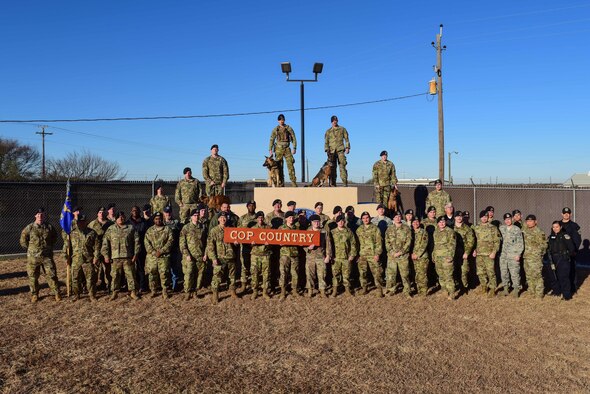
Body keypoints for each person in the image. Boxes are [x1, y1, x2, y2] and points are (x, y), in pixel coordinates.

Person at [19, 208, 61, 303]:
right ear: (35, 216)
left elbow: (55, 237)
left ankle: (56, 293)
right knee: (33, 277)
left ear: (44, 215)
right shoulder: (29, 228)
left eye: (42, 214)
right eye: (38, 214)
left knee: (52, 275)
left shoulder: (49, 227)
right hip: (33, 258)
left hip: (47, 257)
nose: (40, 216)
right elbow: (23, 240)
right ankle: (34, 294)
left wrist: (48, 247)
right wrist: (30, 249)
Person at [101, 211, 140, 301]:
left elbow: (136, 242)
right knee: (115, 276)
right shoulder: (111, 229)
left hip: (128, 256)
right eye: (119, 217)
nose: (121, 219)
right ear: (115, 219)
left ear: (125, 218)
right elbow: (105, 243)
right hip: (115, 258)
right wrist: (106, 255)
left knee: (130, 275)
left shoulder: (130, 228)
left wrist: (136, 254)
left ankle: (133, 292)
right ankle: (115, 292)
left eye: (122, 217)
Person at [67, 214, 100, 302]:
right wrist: (66, 257)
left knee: (90, 278)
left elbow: (97, 246)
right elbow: (67, 247)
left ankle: (92, 295)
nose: (80, 224)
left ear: (86, 222)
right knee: (75, 278)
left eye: (82, 222)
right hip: (76, 259)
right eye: (79, 222)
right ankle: (77, 295)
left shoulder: (92, 233)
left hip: (88, 259)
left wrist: (96, 257)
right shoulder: (72, 233)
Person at [207, 213, 238, 304]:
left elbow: (236, 242)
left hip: (230, 256)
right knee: (217, 276)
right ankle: (215, 295)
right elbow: (210, 245)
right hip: (220, 258)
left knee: (232, 276)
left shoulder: (231, 230)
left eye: (224, 217)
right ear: (218, 219)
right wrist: (213, 258)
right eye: (221, 218)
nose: (223, 219)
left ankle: (233, 292)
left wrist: (236, 243)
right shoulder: (214, 231)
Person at [144, 211, 174, 299]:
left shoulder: (167, 230)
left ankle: (165, 291)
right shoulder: (149, 230)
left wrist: (161, 251)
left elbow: (170, 241)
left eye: (160, 219)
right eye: (156, 219)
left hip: (163, 256)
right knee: (152, 273)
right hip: (152, 257)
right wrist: (153, 252)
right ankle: (153, 290)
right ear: (154, 220)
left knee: (164, 273)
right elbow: (146, 243)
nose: (158, 220)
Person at [179, 207, 208, 300]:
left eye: (197, 215)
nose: (196, 217)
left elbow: (207, 242)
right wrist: (187, 254)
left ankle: (195, 292)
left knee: (198, 275)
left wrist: (205, 254)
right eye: (194, 215)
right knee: (189, 274)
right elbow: (182, 243)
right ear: (191, 217)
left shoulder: (202, 227)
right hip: (189, 256)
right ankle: (187, 292)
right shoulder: (186, 228)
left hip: (200, 255)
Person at [472, 210, 501, 297]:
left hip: (489, 254)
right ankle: (484, 287)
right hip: (479, 254)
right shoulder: (476, 228)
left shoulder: (493, 228)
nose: (484, 218)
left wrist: (494, 252)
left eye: (486, 216)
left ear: (488, 217)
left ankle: (492, 288)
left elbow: (497, 241)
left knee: (490, 272)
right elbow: (473, 240)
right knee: (480, 272)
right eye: (482, 217)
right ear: (480, 218)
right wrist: (474, 250)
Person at [356, 211, 384, 296]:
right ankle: (364, 288)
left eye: (367, 217)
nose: (365, 219)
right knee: (362, 273)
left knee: (377, 273)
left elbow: (379, 242)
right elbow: (356, 243)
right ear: (361, 219)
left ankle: (379, 289)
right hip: (362, 255)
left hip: (373, 254)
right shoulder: (359, 229)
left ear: (370, 218)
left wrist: (377, 254)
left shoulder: (375, 228)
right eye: (364, 218)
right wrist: (357, 255)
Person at [384, 211, 412, 297]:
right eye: (396, 217)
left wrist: (401, 252)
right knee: (391, 274)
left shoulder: (406, 228)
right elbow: (387, 241)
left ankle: (407, 291)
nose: (398, 218)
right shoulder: (389, 229)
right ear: (393, 218)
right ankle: (391, 289)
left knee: (405, 274)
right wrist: (392, 252)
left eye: (399, 216)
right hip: (392, 256)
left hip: (403, 256)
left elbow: (409, 242)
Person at [305, 214, 333, 298]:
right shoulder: (308, 231)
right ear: (311, 223)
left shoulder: (324, 231)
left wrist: (328, 255)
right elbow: (302, 244)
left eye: (318, 221)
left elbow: (328, 244)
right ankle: (310, 290)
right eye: (315, 222)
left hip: (321, 256)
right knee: (310, 274)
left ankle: (322, 291)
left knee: (322, 274)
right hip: (310, 257)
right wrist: (308, 248)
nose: (316, 223)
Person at [548, 221, 576, 301]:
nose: (555, 228)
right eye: (553, 227)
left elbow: (572, 248)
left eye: (557, 227)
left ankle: (567, 295)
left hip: (563, 259)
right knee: (553, 276)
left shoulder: (565, 236)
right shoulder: (551, 237)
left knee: (563, 277)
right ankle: (557, 292)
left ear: (560, 227)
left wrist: (566, 256)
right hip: (553, 258)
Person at [521, 214, 547, 299]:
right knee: (528, 275)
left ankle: (539, 294)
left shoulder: (539, 232)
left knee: (537, 275)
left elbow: (544, 245)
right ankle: (531, 291)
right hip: (526, 257)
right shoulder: (524, 230)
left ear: (535, 222)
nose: (529, 223)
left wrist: (538, 254)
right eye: (527, 221)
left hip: (535, 258)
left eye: (531, 221)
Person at [499, 212, 524, 297]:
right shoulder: (501, 229)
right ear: (504, 220)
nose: (508, 221)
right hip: (503, 255)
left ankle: (516, 289)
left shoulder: (516, 229)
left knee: (514, 273)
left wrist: (518, 254)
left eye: (509, 219)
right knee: (504, 272)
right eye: (506, 220)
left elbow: (520, 243)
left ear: (512, 219)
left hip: (513, 254)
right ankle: (506, 289)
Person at [330, 214, 355, 297]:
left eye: (342, 220)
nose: (341, 222)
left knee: (346, 275)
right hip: (336, 258)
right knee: (335, 275)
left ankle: (347, 290)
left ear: (344, 221)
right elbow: (329, 245)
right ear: (336, 222)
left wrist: (352, 255)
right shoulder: (332, 232)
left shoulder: (349, 231)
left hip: (346, 257)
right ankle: (335, 291)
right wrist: (330, 255)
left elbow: (353, 244)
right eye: (339, 221)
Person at [269, 114, 298, 187]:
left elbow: (293, 138)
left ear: (284, 120)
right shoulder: (275, 129)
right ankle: (280, 183)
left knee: (290, 166)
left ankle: (293, 182)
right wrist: (270, 149)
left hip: (287, 148)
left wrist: (294, 147)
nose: (282, 121)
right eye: (280, 120)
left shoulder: (288, 128)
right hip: (278, 149)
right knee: (279, 167)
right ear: (278, 121)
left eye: (283, 120)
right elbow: (272, 139)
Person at [88, 206, 112, 293]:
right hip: (96, 252)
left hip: (107, 251)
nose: (101, 214)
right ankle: (93, 288)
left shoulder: (110, 224)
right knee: (95, 270)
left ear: (106, 213)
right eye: (100, 212)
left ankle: (109, 286)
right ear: (97, 214)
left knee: (108, 270)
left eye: (103, 212)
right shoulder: (92, 224)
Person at [433, 216, 457, 300]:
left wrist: (450, 256)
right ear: (438, 223)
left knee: (448, 276)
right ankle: (444, 291)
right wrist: (434, 255)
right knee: (441, 276)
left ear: (445, 222)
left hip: (446, 258)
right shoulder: (436, 232)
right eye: (440, 222)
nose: (442, 223)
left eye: (443, 222)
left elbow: (452, 245)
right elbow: (435, 245)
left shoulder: (450, 232)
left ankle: (452, 293)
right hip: (438, 257)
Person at [278, 211, 301, 300]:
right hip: (284, 254)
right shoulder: (281, 228)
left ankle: (294, 290)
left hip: (294, 254)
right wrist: (279, 243)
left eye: (292, 217)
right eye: (289, 217)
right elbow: (276, 239)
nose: (291, 219)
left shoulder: (297, 228)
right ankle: (283, 291)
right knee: (283, 273)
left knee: (295, 273)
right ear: (286, 218)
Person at [249, 211, 272, 300]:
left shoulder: (268, 228)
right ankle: (255, 291)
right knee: (254, 273)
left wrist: (268, 244)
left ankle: (264, 292)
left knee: (266, 274)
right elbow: (248, 242)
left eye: (262, 217)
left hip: (265, 254)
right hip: (255, 254)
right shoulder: (253, 229)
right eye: (259, 217)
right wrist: (251, 243)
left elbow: (273, 241)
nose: (260, 219)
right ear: (256, 218)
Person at [559, 207, 581, 294]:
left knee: (571, 270)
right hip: (559, 253)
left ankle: (573, 288)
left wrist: (574, 251)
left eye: (568, 213)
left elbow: (578, 240)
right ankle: (560, 287)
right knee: (559, 271)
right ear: (562, 214)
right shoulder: (557, 224)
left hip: (570, 253)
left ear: (571, 214)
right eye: (564, 213)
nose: (566, 214)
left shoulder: (574, 226)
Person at [324, 115, 351, 186]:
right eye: (333, 121)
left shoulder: (342, 129)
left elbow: (346, 139)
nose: (334, 122)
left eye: (336, 120)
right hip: (332, 152)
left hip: (340, 150)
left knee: (342, 166)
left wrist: (347, 147)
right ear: (331, 122)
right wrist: (327, 150)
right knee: (332, 168)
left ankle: (345, 183)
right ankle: (333, 183)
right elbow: (326, 142)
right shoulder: (328, 131)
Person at [238, 200, 257, 293]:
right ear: (247, 207)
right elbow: (237, 232)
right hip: (244, 246)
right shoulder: (242, 218)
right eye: (250, 206)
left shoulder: (259, 217)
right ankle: (244, 285)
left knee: (254, 266)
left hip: (256, 247)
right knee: (244, 266)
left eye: (253, 206)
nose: (251, 207)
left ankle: (254, 286)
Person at [453, 211, 475, 292]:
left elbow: (471, 241)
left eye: (460, 216)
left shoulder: (467, 229)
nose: (459, 218)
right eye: (457, 216)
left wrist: (467, 252)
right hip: (454, 253)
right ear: (454, 217)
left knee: (464, 270)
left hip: (463, 252)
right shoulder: (451, 228)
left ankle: (464, 287)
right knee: (454, 269)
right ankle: (456, 285)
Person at [163, 206, 183, 292]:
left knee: (175, 268)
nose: (168, 214)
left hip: (174, 249)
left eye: (169, 212)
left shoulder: (176, 223)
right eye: (166, 212)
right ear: (164, 213)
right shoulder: (161, 223)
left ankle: (175, 286)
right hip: (165, 250)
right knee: (165, 268)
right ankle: (166, 286)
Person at [411, 217, 430, 296]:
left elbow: (424, 245)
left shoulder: (423, 232)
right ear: (411, 224)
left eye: (417, 222)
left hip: (422, 257)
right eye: (414, 222)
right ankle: (418, 289)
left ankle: (423, 291)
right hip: (412, 257)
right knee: (416, 274)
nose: (416, 223)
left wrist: (417, 254)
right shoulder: (410, 232)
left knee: (422, 274)